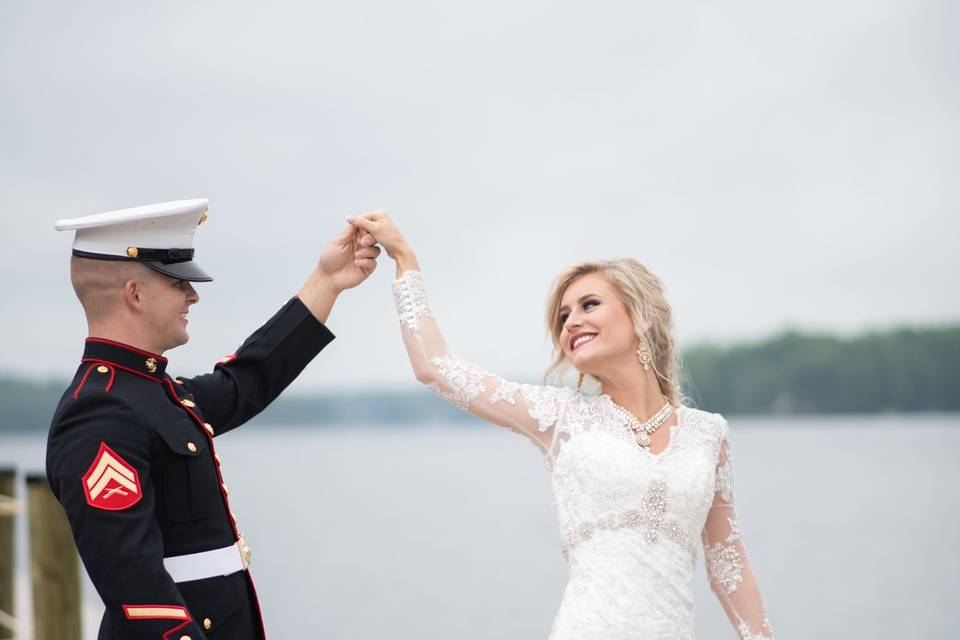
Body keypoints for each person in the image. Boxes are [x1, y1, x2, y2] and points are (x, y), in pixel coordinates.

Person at [347, 211, 774, 640]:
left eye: (589, 305)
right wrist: (405, 260)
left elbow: (727, 566)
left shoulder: (707, 435)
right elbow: (435, 368)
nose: (571, 322)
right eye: (563, 317)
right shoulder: (561, 418)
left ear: (642, 316)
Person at [46, 199, 380, 639]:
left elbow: (248, 379)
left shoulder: (153, 393)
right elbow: (139, 594)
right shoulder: (97, 414)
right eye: (177, 283)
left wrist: (328, 281)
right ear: (135, 293)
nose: (193, 294)